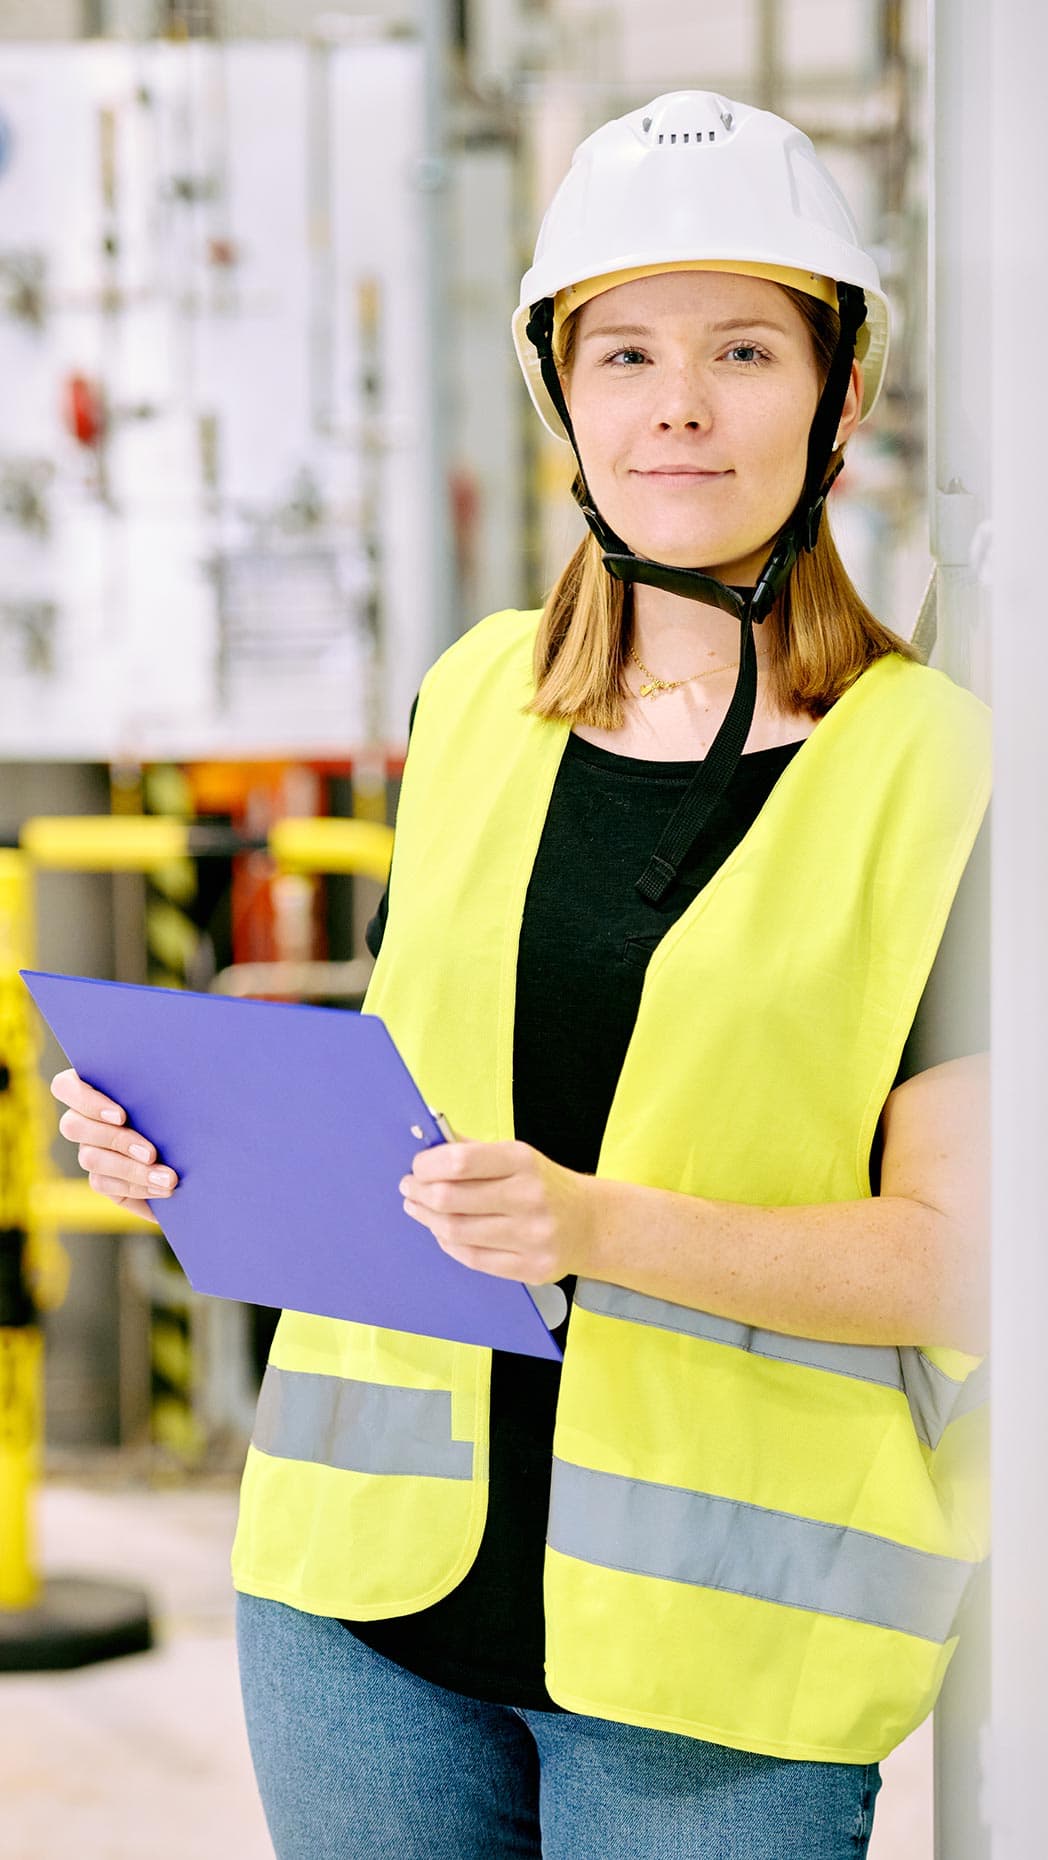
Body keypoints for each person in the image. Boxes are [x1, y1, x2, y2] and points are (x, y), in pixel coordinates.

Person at [50, 89, 991, 1860]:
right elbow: (431, 1119)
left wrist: (597, 1229)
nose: (680, 408)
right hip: (357, 1611)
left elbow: (972, 1261)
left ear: (841, 394)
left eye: (743, 350)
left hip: (717, 1669)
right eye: (623, 352)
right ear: (564, 398)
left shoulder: (938, 774)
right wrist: (202, 1154)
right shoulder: (477, 701)